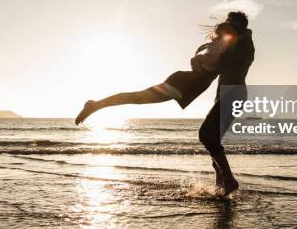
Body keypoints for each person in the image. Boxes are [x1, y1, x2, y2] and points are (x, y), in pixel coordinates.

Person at [74, 22, 235, 125]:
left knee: (137, 97)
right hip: (184, 83)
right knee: (137, 97)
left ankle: (96, 105)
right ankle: (94, 105)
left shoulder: (223, 44)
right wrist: (201, 69)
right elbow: (196, 59)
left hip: (185, 82)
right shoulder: (221, 44)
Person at [200, 11, 254, 195]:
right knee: (213, 141)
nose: (225, 24)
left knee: (206, 135)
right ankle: (220, 187)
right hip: (225, 94)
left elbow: (228, 61)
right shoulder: (232, 42)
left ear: (239, 25)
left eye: (230, 22)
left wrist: (211, 56)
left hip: (234, 94)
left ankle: (229, 181)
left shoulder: (245, 43)